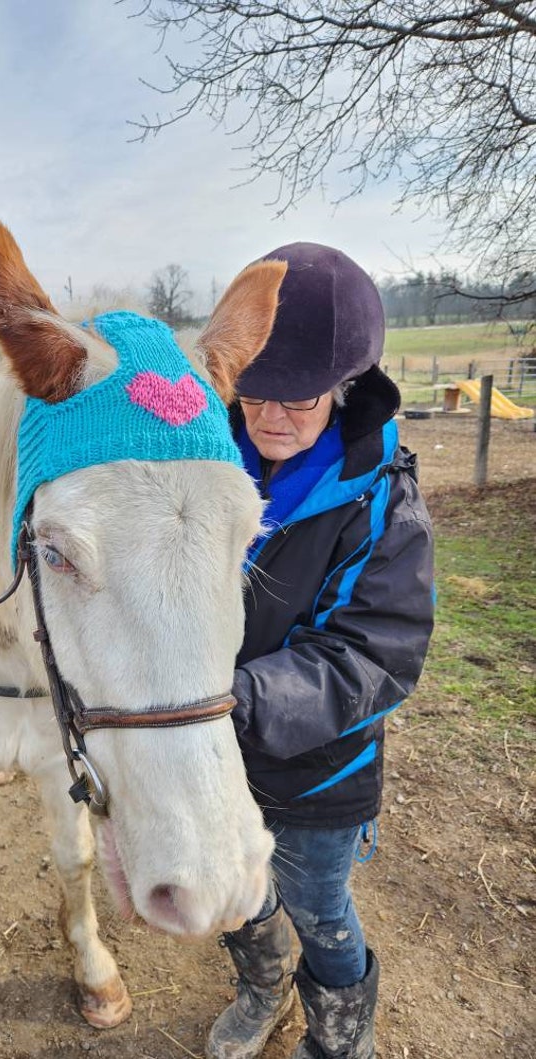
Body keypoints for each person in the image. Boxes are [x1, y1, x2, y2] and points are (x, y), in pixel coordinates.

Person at [207, 243, 435, 1059]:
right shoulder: (205, 467)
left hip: (317, 770)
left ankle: (342, 1030)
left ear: (342, 390)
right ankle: (262, 983)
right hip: (212, 748)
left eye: (297, 397)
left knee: (320, 906)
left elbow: (376, 652)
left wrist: (241, 698)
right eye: (253, 392)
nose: (270, 417)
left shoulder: (381, 505)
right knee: (235, 882)